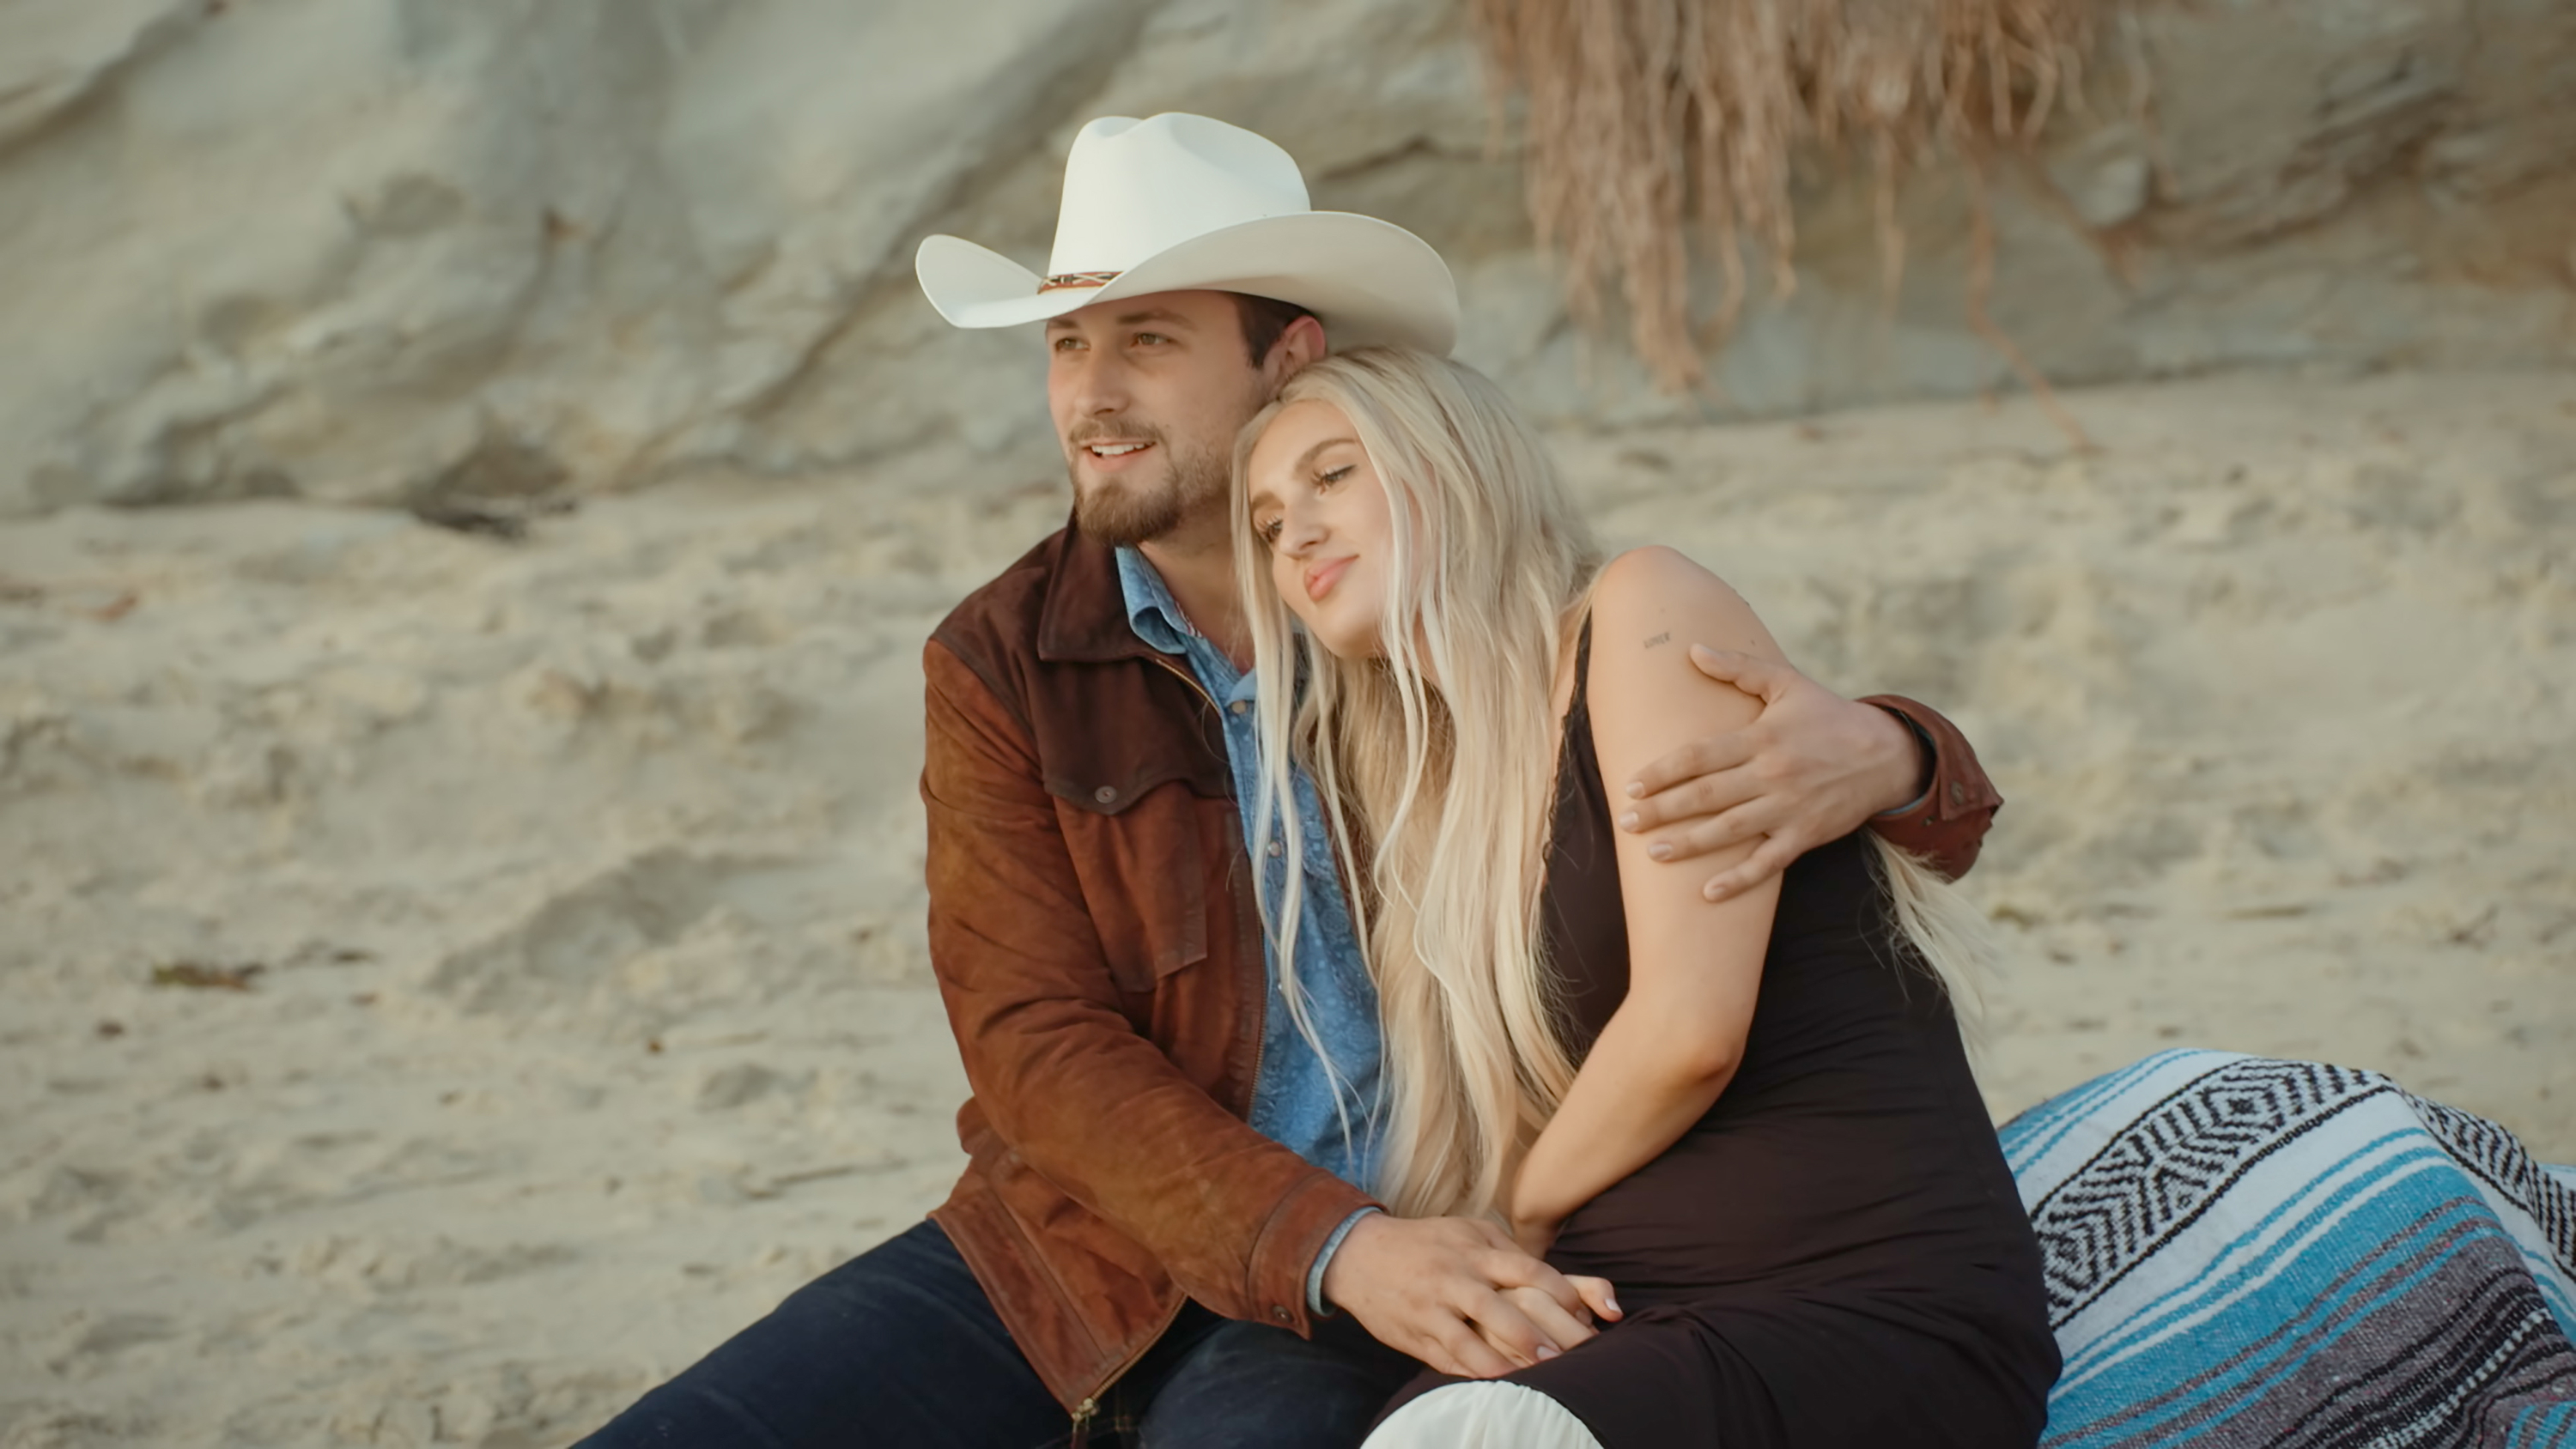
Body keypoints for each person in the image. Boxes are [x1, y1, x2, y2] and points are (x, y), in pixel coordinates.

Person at [577, 113, 2007, 1448]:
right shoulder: (1005, 660)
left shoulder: (1420, 629)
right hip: (1086, 1247)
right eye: (1067, 344)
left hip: (1404, 1268)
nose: (1094, 391)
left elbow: (1643, 742)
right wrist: (1325, 1239)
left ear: (1287, 355)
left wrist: (1893, 749)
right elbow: (1033, 1038)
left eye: (1147, 337)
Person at [1230, 346, 2060, 1448]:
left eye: (1332, 475)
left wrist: (1514, 1220)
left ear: (1454, 464)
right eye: (1268, 522)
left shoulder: (1643, 611)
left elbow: (1688, 1029)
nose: (1297, 535)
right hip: (1640, 1310)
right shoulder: (1426, 800)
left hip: (1856, 1292)